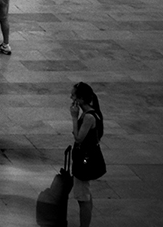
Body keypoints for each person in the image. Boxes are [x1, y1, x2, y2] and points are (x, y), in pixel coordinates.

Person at [69, 82, 105, 227]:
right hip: (87, 158)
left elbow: (78, 138)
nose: (71, 98)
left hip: (84, 162)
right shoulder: (92, 112)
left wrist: (73, 117)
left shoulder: (89, 117)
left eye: (73, 95)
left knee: (82, 197)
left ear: (81, 99)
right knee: (86, 195)